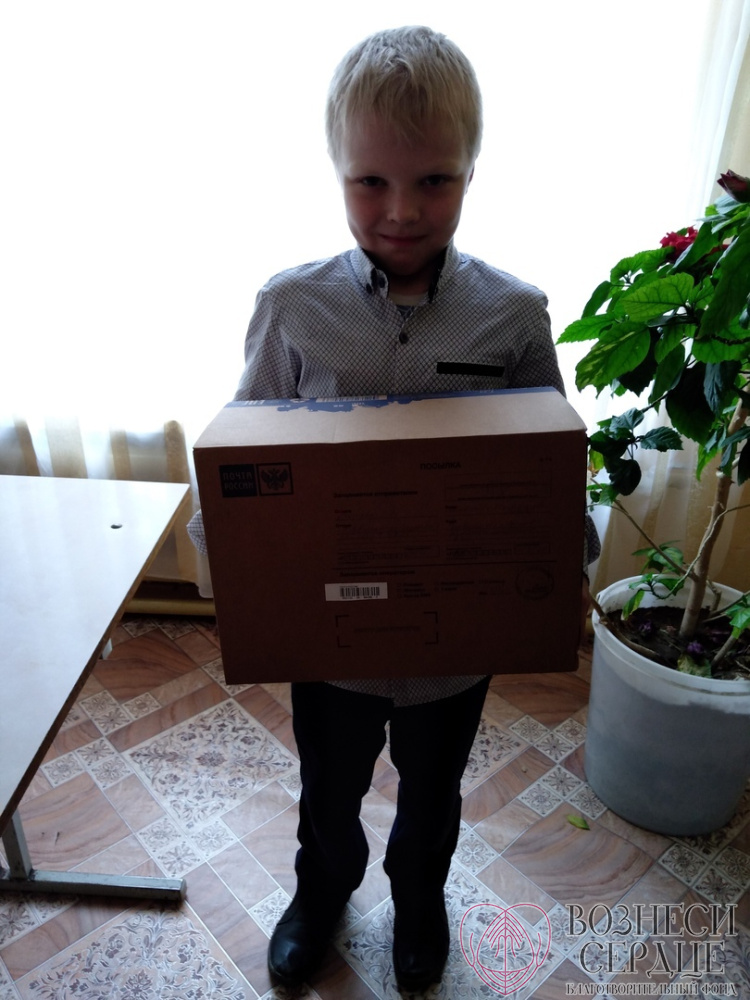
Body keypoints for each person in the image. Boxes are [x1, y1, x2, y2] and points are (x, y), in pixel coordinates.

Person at [189, 25, 599, 992]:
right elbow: (244, 450)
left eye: (434, 181)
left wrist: (561, 560)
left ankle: (420, 900)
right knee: (328, 789)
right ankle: (320, 894)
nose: (403, 211)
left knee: (433, 791)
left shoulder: (513, 315)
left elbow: (547, 467)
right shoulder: (293, 307)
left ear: (472, 172)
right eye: (370, 181)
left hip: (453, 649)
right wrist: (233, 570)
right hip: (330, 643)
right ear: (337, 171)